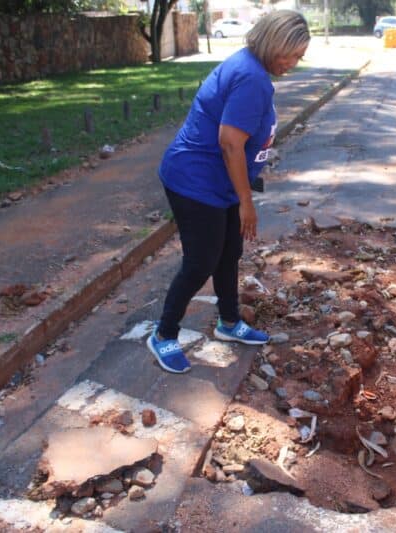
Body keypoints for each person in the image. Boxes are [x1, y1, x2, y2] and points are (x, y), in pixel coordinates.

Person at [147, 10, 311, 373]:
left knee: (229, 251)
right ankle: (163, 334)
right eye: (293, 54)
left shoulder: (252, 68)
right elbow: (230, 144)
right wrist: (246, 204)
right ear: (274, 44)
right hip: (195, 181)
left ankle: (228, 322)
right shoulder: (251, 77)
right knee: (201, 260)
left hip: (218, 183)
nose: (294, 64)